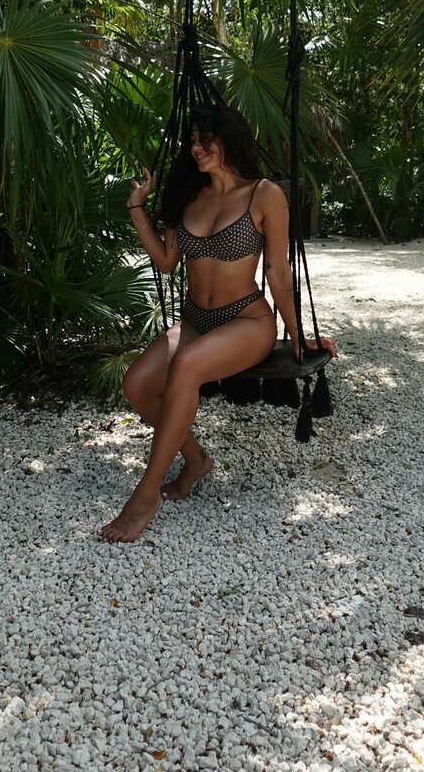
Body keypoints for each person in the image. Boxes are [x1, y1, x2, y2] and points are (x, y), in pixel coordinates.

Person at [100, 104, 337, 543]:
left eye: (205, 138)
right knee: (137, 385)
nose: (197, 147)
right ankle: (196, 460)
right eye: (192, 140)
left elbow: (277, 272)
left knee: (186, 364)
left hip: (247, 320)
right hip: (197, 319)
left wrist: (297, 333)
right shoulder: (189, 196)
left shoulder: (263, 194)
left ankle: (146, 495)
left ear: (229, 139)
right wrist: (137, 207)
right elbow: (167, 261)